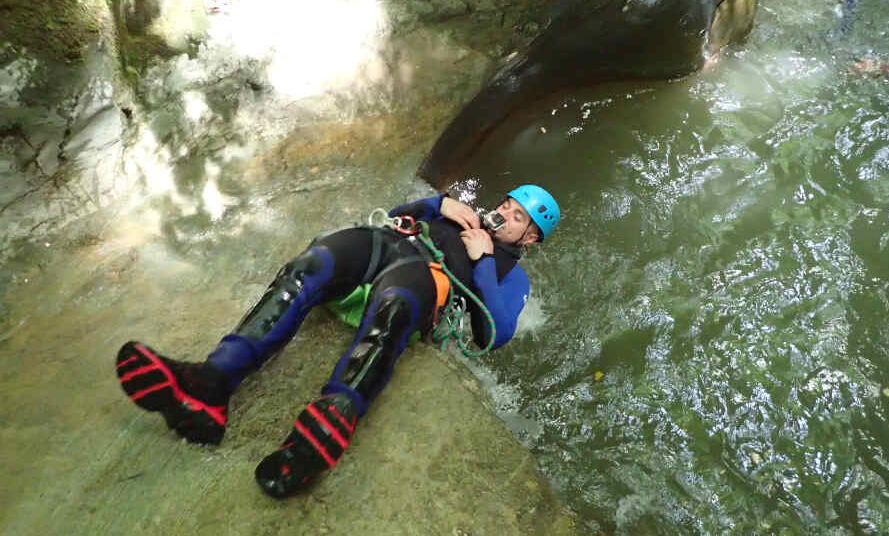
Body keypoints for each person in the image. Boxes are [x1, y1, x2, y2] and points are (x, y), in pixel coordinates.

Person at [115, 184, 561, 498]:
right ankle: (211, 382)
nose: (503, 213)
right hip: (386, 243)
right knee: (311, 265)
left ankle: (327, 423)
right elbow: (396, 213)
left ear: (531, 237)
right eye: (506, 203)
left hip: (425, 276)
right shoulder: (456, 212)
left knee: (395, 311)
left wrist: (482, 259)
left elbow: (497, 333)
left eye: (518, 216)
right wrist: (437, 203)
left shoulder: (511, 274)